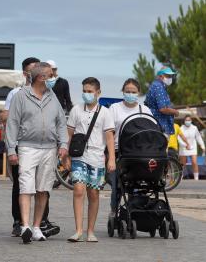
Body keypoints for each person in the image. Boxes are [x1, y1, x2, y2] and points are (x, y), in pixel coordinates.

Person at [5, 62, 68, 244]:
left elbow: (61, 122)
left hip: (49, 148)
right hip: (27, 147)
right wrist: (11, 149)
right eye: (51, 75)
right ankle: (24, 226)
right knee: (26, 186)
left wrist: (63, 144)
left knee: (43, 189)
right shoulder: (21, 96)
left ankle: (37, 227)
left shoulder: (52, 96)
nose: (54, 78)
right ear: (41, 77)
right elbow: (12, 123)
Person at [66, 77, 115, 243]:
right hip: (79, 156)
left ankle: (91, 231)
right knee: (78, 190)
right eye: (84, 91)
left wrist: (111, 160)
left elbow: (109, 138)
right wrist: (65, 155)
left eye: (90, 91)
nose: (86, 94)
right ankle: (78, 230)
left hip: (97, 158)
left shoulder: (105, 113)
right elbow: (69, 134)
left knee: (93, 193)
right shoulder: (76, 110)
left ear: (98, 92)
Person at [108, 79, 152, 215]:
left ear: (138, 93)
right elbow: (108, 131)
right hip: (119, 152)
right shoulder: (114, 108)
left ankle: (135, 211)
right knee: (117, 186)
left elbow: (151, 131)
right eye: (127, 91)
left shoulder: (144, 110)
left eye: (133, 92)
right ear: (123, 91)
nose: (130, 94)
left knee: (138, 184)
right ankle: (114, 211)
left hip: (139, 153)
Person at [144, 66, 179, 137]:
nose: (170, 78)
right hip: (159, 126)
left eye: (171, 76)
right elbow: (163, 109)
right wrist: (175, 112)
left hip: (155, 125)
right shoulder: (159, 87)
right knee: (160, 147)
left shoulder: (158, 86)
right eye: (168, 76)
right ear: (160, 76)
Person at [179, 115, 205, 180]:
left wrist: (202, 146)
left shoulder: (194, 128)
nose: (188, 121)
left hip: (193, 147)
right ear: (184, 121)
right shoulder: (181, 128)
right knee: (183, 164)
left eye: (189, 120)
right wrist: (185, 145)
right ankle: (180, 177)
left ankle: (196, 177)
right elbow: (179, 139)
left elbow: (198, 137)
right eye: (186, 120)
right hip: (183, 148)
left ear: (191, 121)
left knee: (194, 162)